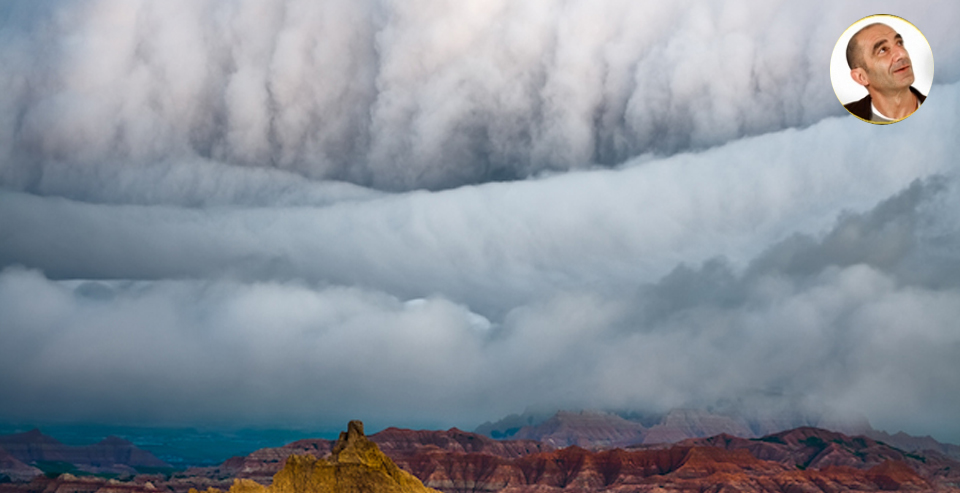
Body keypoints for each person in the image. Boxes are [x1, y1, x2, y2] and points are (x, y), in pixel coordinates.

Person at [844, 22, 925, 122]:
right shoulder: (844, 120)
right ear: (861, 77)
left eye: (899, 43)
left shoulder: (942, 104)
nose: (901, 54)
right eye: (882, 50)